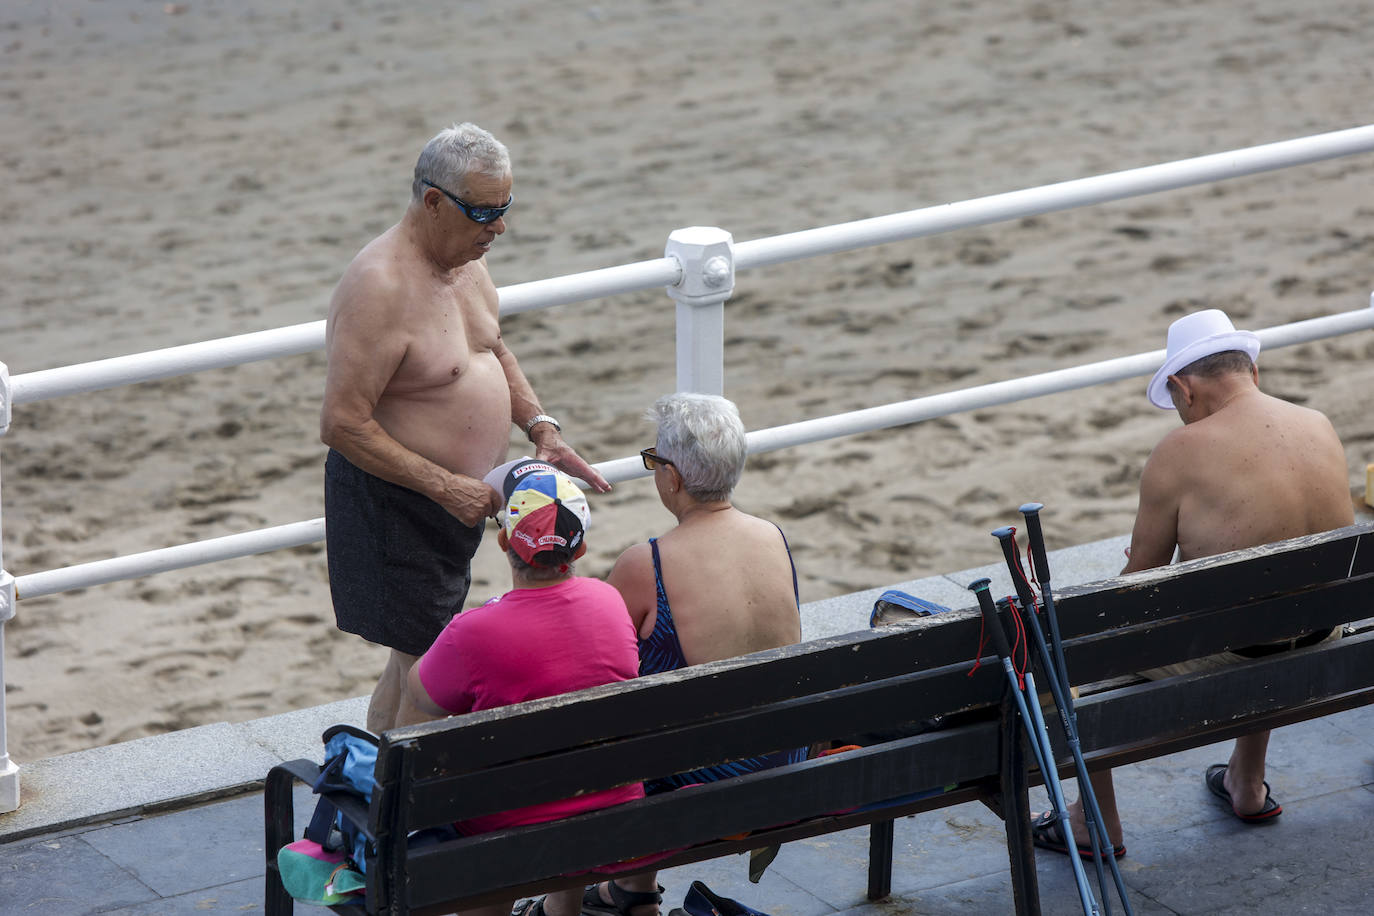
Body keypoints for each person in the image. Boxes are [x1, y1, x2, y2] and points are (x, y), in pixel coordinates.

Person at [1032, 308, 1355, 862]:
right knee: (1278, 606)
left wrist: (1149, 568)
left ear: (1182, 387)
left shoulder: (1179, 452)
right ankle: (1247, 786)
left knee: (1070, 652)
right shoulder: (1317, 423)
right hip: (1326, 639)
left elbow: (1137, 592)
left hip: (1233, 656)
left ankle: (1093, 822)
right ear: (1251, 373)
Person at [320, 122, 609, 734]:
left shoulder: (467, 263)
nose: (498, 228)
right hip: (399, 505)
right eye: (484, 212)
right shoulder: (380, 286)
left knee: (412, 663)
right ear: (432, 202)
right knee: (427, 669)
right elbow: (343, 423)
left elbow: (494, 349)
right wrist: (446, 487)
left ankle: (371, 793)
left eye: (506, 209)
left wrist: (541, 429)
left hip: (458, 506)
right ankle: (394, 804)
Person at [583, 393, 805, 916]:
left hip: (704, 783)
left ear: (673, 478)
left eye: (653, 461)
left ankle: (580, 899)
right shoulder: (773, 537)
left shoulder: (647, 563)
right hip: (789, 766)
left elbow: (594, 664)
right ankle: (634, 890)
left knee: (615, 722)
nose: (654, 471)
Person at [403, 460, 642, 916]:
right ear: (582, 548)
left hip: (509, 823)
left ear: (502, 541)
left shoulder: (472, 631)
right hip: (615, 808)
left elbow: (420, 697)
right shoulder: (608, 599)